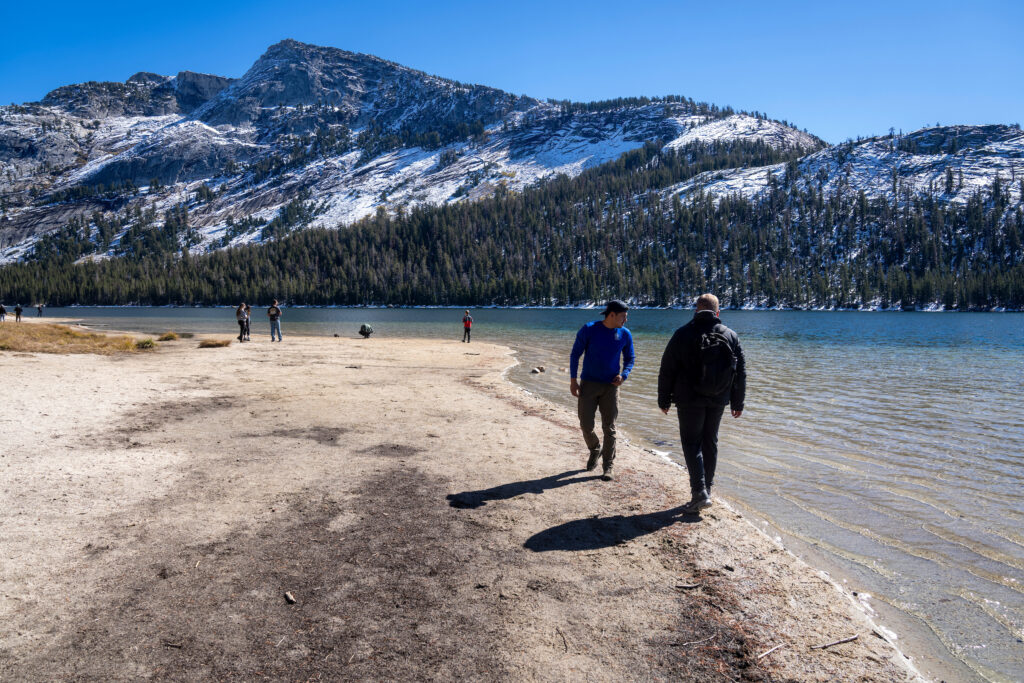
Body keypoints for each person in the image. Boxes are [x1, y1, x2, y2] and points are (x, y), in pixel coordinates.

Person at [657, 294, 746, 514]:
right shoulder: (731, 335)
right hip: (718, 399)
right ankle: (707, 489)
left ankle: (699, 493)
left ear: (696, 310)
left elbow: (667, 369)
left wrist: (664, 399)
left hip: (689, 399)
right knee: (710, 442)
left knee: (691, 443)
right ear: (718, 313)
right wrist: (738, 402)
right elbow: (741, 373)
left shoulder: (682, 334)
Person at [569, 300, 635, 481]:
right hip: (588, 384)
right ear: (611, 314)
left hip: (611, 387)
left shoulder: (625, 334)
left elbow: (630, 358)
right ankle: (595, 448)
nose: (626, 320)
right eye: (623, 316)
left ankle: (608, 466)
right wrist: (573, 381)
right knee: (585, 424)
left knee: (609, 427)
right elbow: (575, 354)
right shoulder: (589, 329)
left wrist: (624, 375)